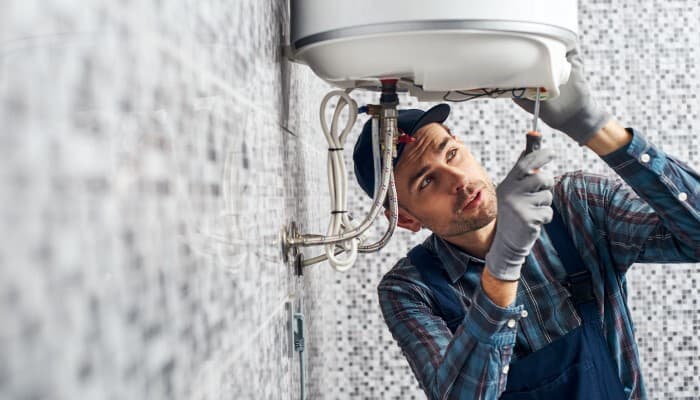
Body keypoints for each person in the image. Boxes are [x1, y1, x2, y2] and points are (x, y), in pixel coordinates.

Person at [351, 48, 700, 399]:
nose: (456, 179)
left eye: (451, 153)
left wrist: (594, 126)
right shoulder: (410, 290)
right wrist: (503, 266)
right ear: (406, 218)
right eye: (426, 181)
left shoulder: (574, 205)